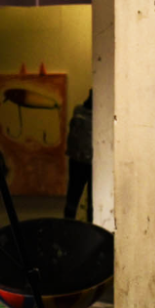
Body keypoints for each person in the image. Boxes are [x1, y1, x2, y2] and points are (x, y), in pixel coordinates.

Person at [63, 92, 93, 220]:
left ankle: (89, 226)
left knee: (88, 199)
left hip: (85, 161)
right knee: (74, 197)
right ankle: (70, 224)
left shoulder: (79, 111)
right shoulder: (79, 111)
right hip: (80, 161)